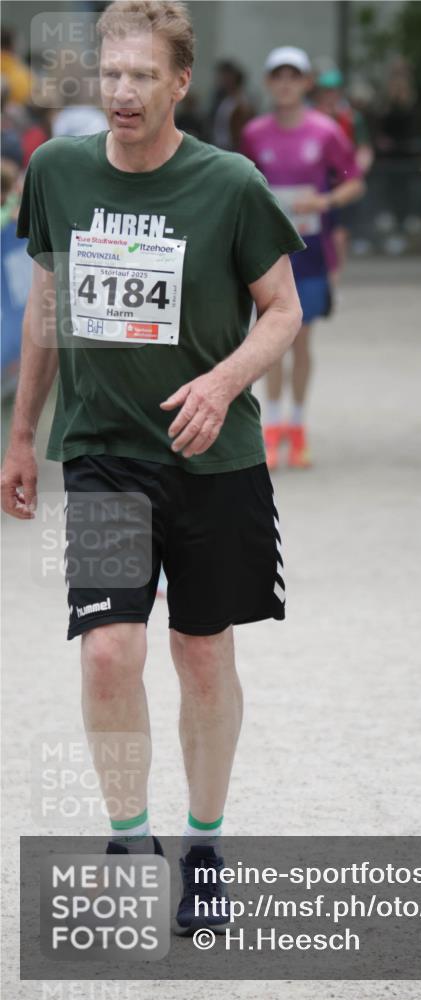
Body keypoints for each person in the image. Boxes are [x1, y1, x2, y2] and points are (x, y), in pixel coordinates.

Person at [1, 0, 305, 936]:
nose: (123, 92)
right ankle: (131, 841)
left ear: (180, 83)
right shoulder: (57, 171)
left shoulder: (232, 184)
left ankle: (204, 846)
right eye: (112, 74)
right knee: (108, 650)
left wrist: (222, 382)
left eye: (144, 76)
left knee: (202, 653)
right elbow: (46, 304)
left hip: (214, 458)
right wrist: (23, 435)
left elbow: (284, 311)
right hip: (103, 456)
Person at [240, 46, 364, 470]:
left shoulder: (326, 131)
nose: (287, 83)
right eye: (279, 76)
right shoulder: (255, 133)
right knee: (270, 340)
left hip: (312, 253)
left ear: (307, 82)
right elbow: (243, 188)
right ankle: (271, 428)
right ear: (268, 83)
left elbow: (354, 182)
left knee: (302, 338)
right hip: (268, 254)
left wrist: (324, 201)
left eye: (295, 76)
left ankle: (298, 424)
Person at [312, 66, 374, 279]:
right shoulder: (311, 117)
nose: (330, 96)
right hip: (319, 181)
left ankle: (334, 276)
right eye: (325, 91)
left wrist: (356, 172)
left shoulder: (351, 119)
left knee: (339, 233)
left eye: (334, 91)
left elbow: (364, 149)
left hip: (342, 183)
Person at [210, 59, 254, 152]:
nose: (221, 80)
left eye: (225, 76)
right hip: (218, 146)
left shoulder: (242, 102)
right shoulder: (223, 98)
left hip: (232, 149)